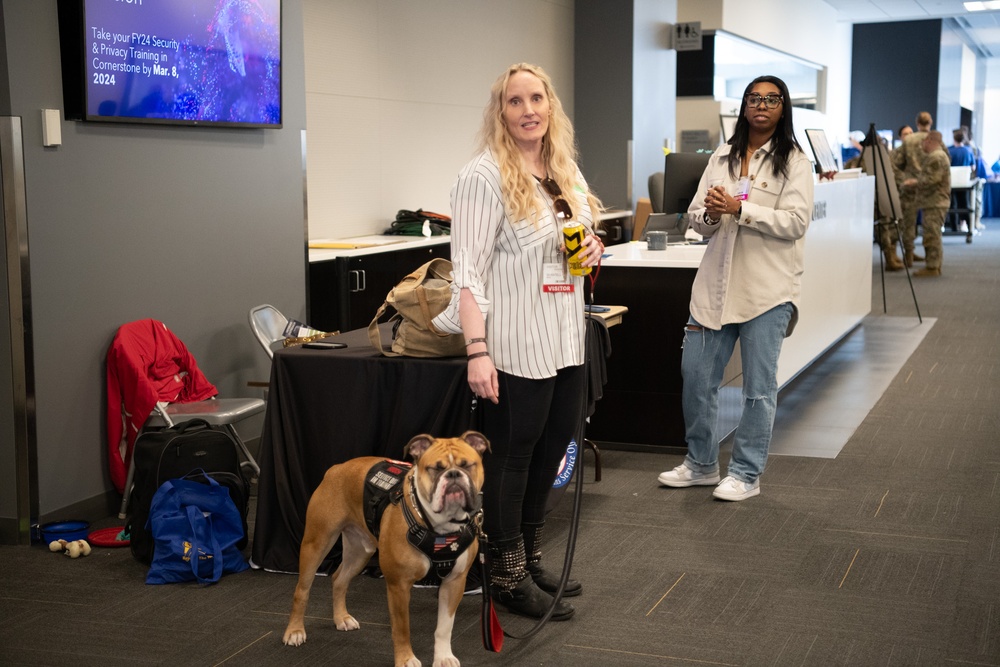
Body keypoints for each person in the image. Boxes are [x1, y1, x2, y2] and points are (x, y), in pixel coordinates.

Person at [432, 62, 604, 620]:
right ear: (500, 112)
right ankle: (503, 574)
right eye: (515, 101)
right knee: (511, 458)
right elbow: (469, 276)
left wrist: (594, 248)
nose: (528, 110)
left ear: (550, 106)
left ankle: (529, 556)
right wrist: (477, 352)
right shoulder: (481, 177)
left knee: (551, 450)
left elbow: (574, 240)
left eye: (537, 98)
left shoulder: (562, 169)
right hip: (512, 345)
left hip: (564, 339)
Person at [657, 75, 813, 501]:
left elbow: (796, 222)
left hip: (767, 290)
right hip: (714, 287)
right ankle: (702, 463)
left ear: (783, 108)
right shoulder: (722, 156)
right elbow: (697, 220)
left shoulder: (795, 161)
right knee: (696, 378)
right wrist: (708, 214)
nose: (761, 105)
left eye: (771, 99)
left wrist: (741, 208)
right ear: (744, 105)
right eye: (754, 98)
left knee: (758, 389)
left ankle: (746, 473)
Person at [892, 111, 936, 267]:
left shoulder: (909, 141)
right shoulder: (935, 140)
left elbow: (896, 163)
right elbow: (945, 162)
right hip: (930, 187)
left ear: (917, 123)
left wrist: (904, 180)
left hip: (910, 187)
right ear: (930, 123)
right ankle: (932, 261)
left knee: (908, 222)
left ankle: (908, 256)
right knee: (932, 224)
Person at [904, 131, 950, 277]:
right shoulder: (938, 155)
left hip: (935, 202)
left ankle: (932, 267)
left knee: (932, 235)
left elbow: (932, 180)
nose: (921, 145)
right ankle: (934, 265)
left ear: (929, 140)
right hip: (934, 202)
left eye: (923, 142)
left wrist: (914, 182)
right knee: (933, 234)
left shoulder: (936, 157)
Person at [948, 128, 976, 232]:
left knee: (952, 206)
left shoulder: (949, 151)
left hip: (951, 183)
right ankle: (969, 227)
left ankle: (954, 228)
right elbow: (973, 167)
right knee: (965, 205)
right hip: (964, 184)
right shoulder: (968, 151)